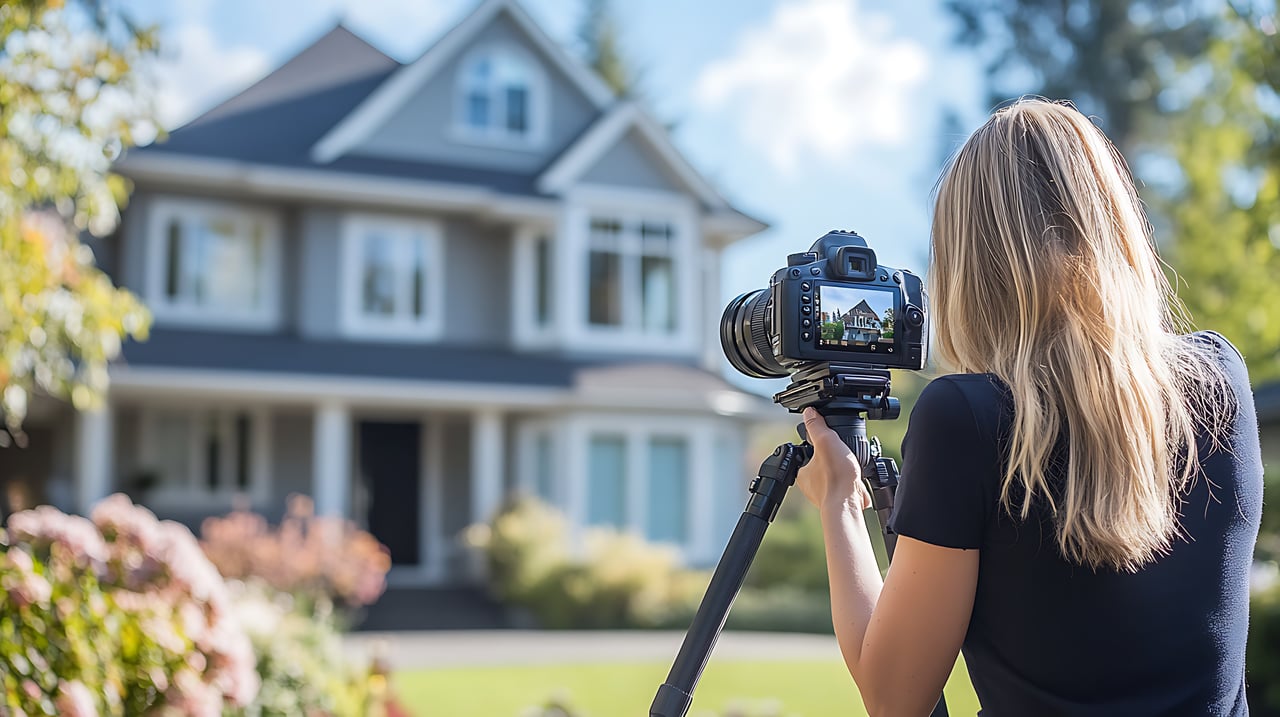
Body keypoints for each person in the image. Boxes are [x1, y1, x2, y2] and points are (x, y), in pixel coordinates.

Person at [795, 98, 1262, 717]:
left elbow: (894, 698)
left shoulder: (965, 419)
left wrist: (840, 505)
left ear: (969, 260)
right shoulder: (1220, 377)